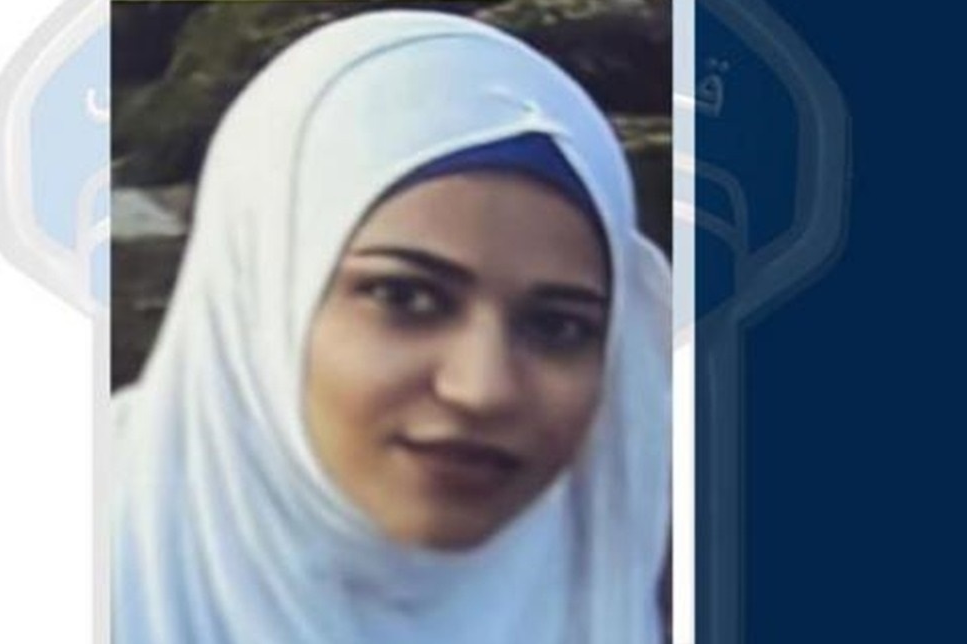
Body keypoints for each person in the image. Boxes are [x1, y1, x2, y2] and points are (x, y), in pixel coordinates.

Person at [112, 10, 670, 644]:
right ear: (256, 292)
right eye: (405, 297)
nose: (483, 388)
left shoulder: (624, 568)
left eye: (558, 327)